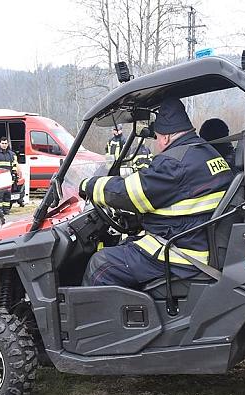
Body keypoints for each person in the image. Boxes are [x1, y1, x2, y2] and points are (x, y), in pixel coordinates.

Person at [79, 97, 235, 287]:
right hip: (196, 240)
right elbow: (181, 199)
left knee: (101, 264)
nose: (157, 144)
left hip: (183, 253)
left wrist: (90, 185)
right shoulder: (205, 151)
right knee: (125, 246)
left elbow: (129, 194)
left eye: (158, 138)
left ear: (167, 137)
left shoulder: (174, 161)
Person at [0, 137, 18, 213]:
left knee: (7, 196)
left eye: (5, 143)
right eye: (3, 143)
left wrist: (14, 176)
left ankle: (6, 211)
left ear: (7, 144)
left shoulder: (12, 154)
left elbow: (14, 166)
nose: (4, 145)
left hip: (8, 178)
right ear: (0, 144)